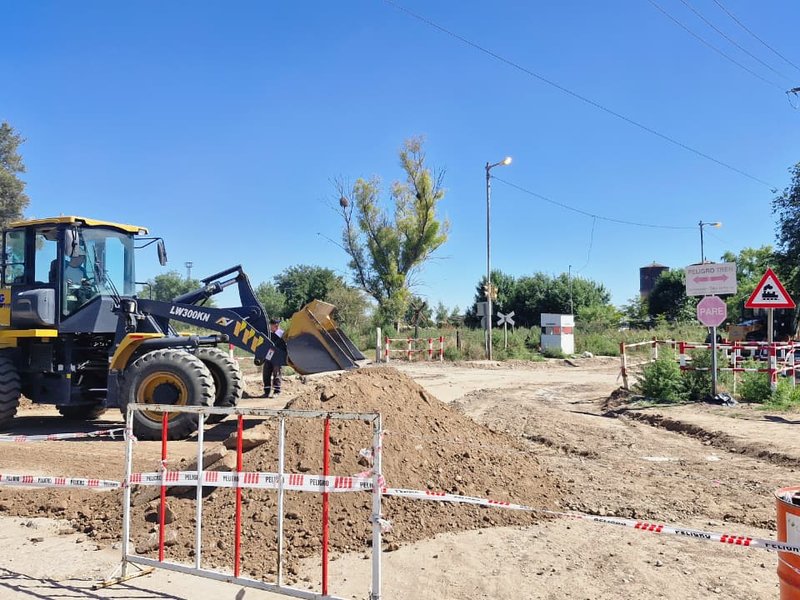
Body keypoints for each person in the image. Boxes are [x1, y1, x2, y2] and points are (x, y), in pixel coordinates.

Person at [262, 317, 286, 398]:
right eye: (271, 325)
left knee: (277, 374)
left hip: (277, 357)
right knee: (266, 373)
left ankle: (277, 391)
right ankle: (266, 391)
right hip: (268, 356)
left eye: (273, 325)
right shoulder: (268, 334)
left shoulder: (282, 334)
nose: (271, 327)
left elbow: (284, 346)